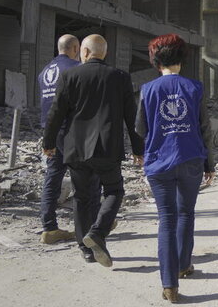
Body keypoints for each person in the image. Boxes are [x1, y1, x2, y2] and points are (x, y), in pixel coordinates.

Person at [43, 34, 143, 267]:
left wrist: (48, 143)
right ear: (104, 53)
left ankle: (85, 249)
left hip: (76, 148)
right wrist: (139, 149)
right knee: (114, 191)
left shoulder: (70, 76)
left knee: (82, 197)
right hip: (107, 148)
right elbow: (131, 116)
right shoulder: (120, 77)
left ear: (84, 53)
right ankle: (97, 233)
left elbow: (56, 113)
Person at [135, 34, 214, 304]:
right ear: (182, 58)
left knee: (166, 219)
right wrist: (209, 163)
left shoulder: (147, 90)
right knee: (186, 213)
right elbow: (205, 128)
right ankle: (183, 264)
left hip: (159, 162)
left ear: (156, 61)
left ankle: (170, 284)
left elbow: (140, 129)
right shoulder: (195, 87)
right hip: (191, 158)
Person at [37, 34, 80, 245]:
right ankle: (93, 223)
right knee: (84, 175)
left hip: (50, 131)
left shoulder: (45, 71)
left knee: (53, 177)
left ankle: (49, 227)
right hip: (70, 130)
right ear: (75, 48)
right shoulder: (75, 68)